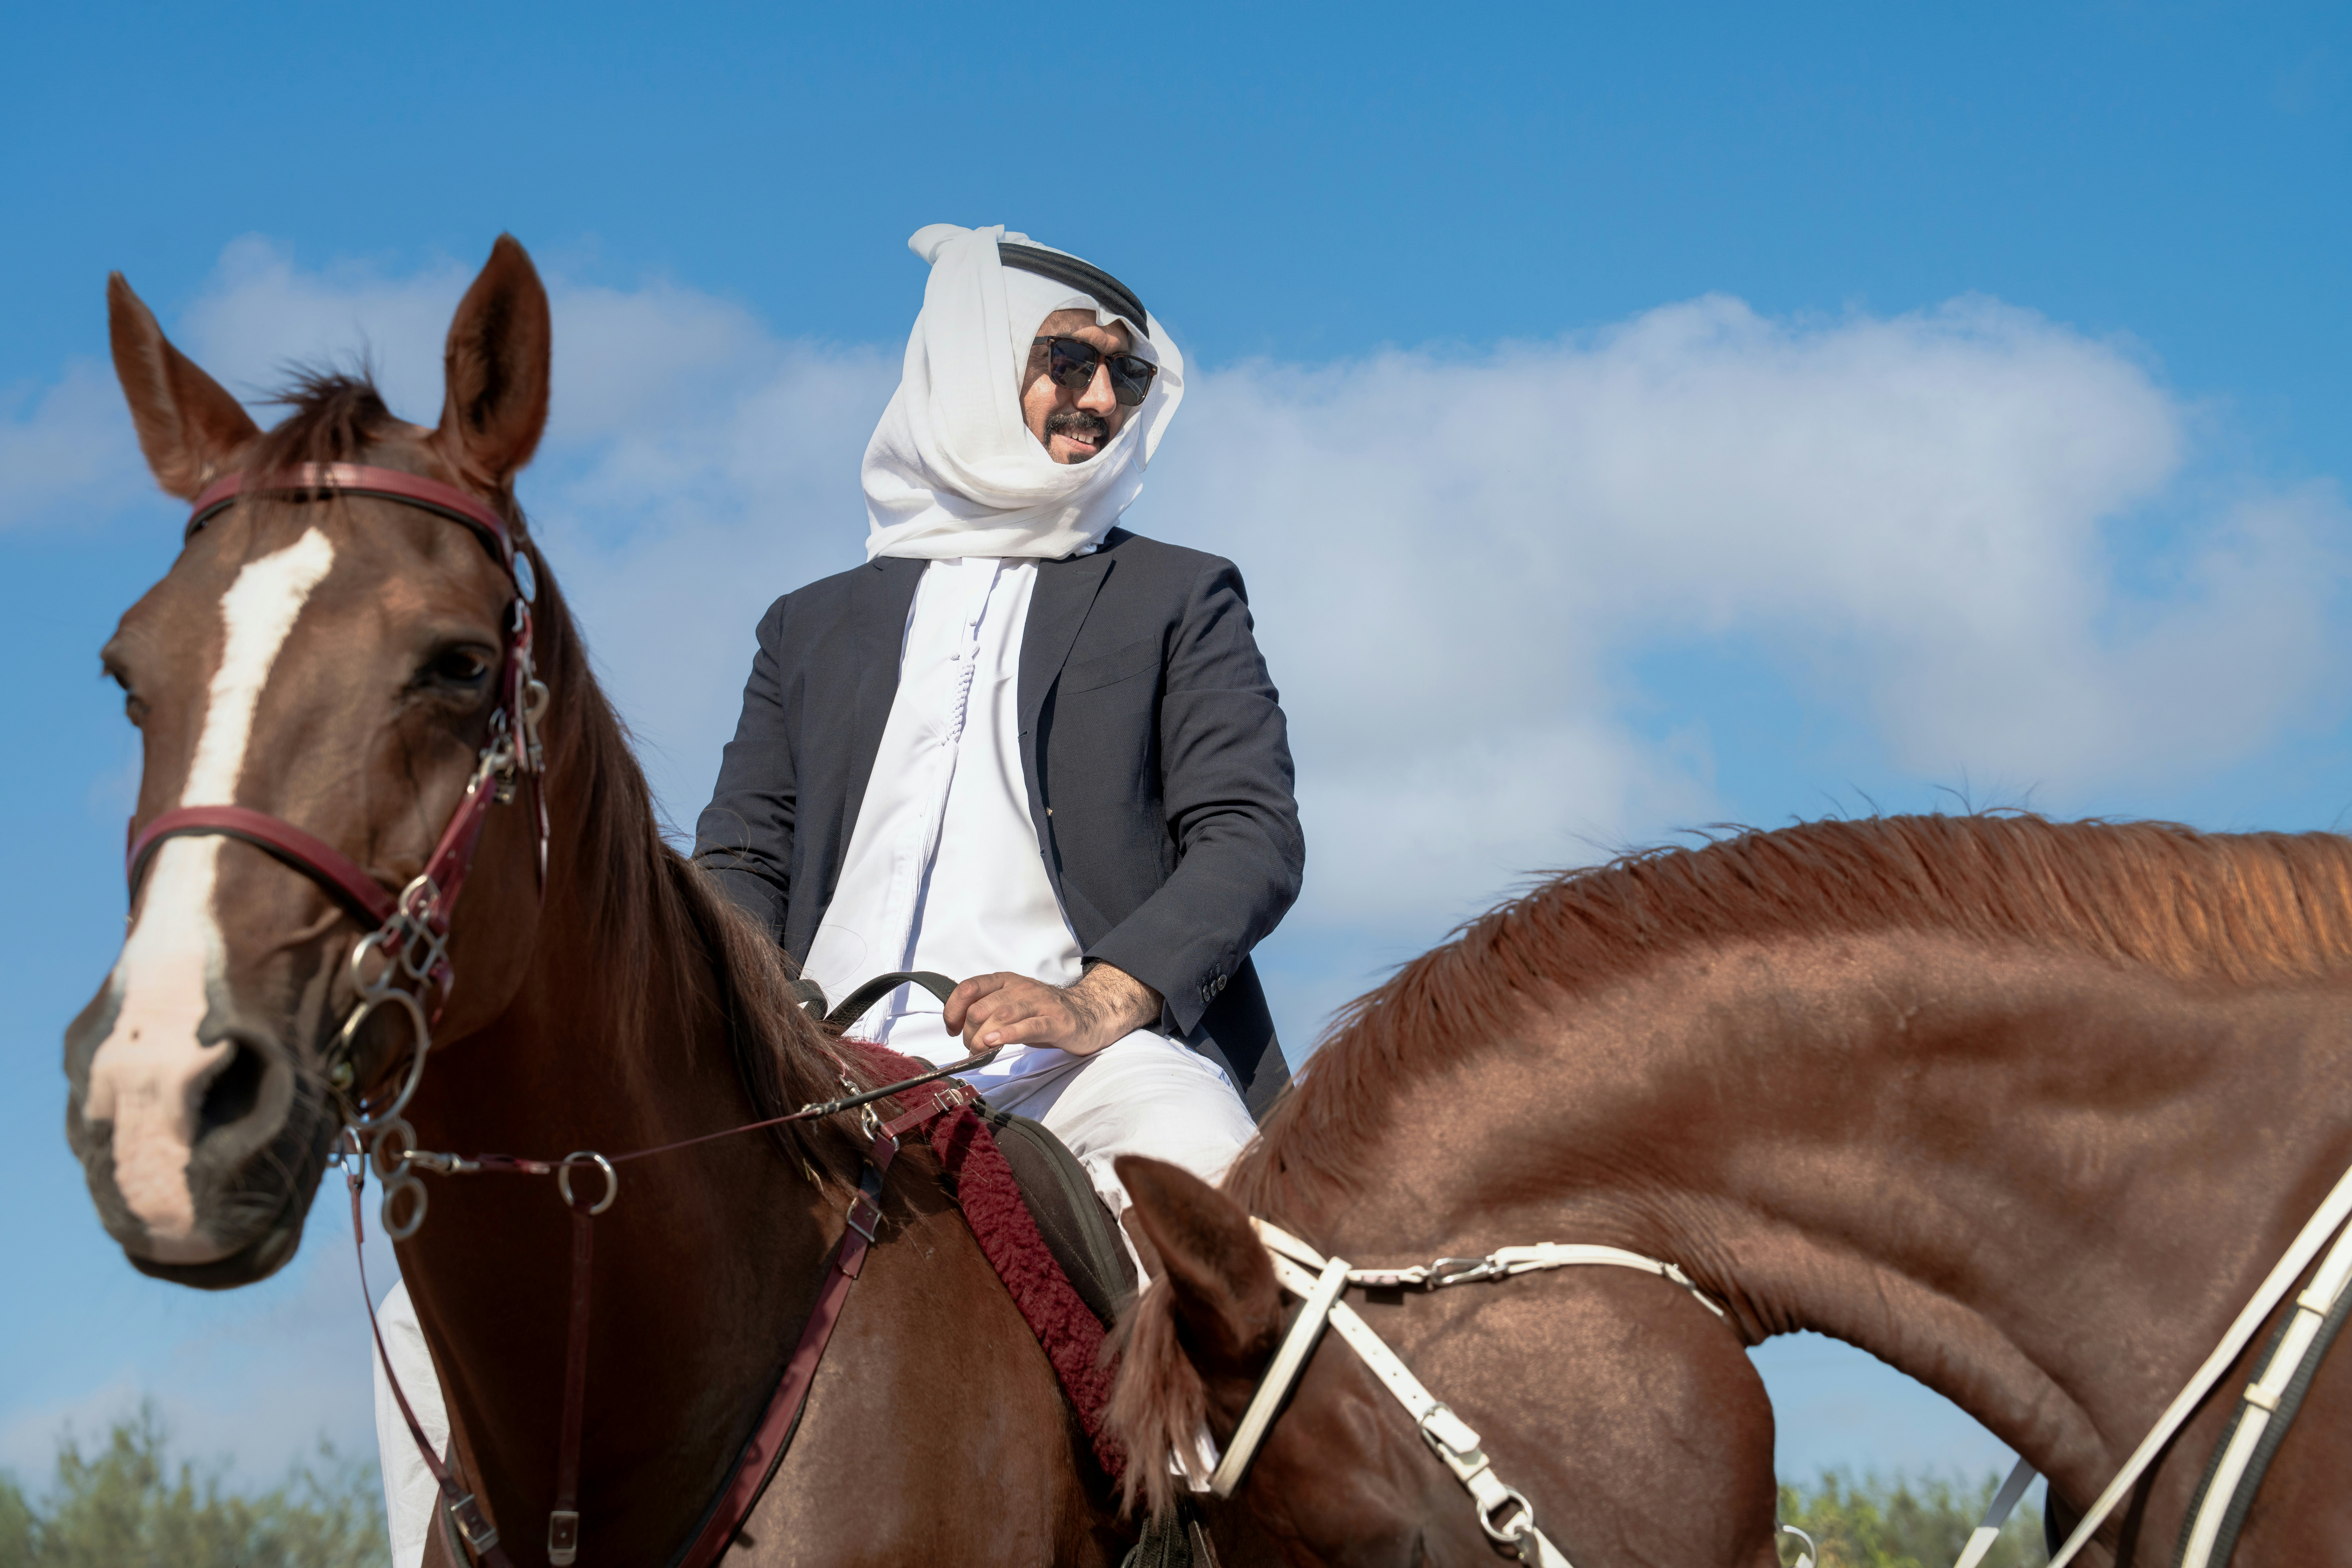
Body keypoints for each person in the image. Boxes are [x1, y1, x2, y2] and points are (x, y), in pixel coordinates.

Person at [693, 222, 1304, 1222]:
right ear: (975, 364)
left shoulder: (1177, 595)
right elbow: (742, 861)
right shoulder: (807, 625)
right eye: (1069, 360)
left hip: (1086, 1073)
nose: (1103, 401)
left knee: (1241, 1250)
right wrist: (758, 1018)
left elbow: (1250, 838)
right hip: (812, 1067)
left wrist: (1091, 1005)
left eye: (1126, 375)